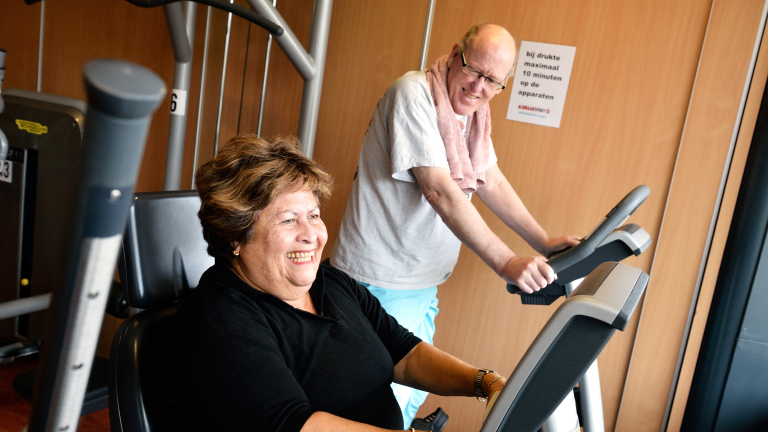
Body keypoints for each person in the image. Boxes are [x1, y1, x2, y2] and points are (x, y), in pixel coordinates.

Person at [145, 134, 507, 432]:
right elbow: (295, 425)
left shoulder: (329, 283)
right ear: (234, 237)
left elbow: (406, 354)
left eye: (314, 216)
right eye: (289, 220)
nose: (312, 236)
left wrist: (486, 383)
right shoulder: (220, 322)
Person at [330, 23, 580, 424]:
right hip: (377, 283)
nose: (479, 87)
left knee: (405, 404)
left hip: (421, 282)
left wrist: (545, 241)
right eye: (473, 70)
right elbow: (440, 190)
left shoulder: (472, 118)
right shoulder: (413, 93)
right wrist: (506, 261)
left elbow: (490, 180)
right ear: (454, 55)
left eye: (492, 81)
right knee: (376, 412)